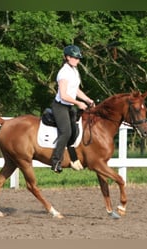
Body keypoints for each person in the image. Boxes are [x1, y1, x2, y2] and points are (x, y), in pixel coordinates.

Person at [51, 45, 95, 173]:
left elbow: (75, 90)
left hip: (69, 106)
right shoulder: (63, 73)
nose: (78, 60)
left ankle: (73, 159)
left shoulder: (74, 71)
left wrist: (87, 99)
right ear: (67, 57)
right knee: (66, 132)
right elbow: (64, 95)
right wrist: (79, 103)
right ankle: (55, 161)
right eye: (75, 58)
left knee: (74, 131)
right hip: (60, 106)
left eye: (78, 58)